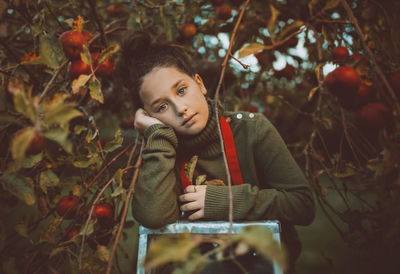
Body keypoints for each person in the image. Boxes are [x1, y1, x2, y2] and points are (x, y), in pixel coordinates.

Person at [115, 30, 315, 273]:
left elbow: (302, 205)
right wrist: (158, 136)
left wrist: (226, 202)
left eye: (181, 90)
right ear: (148, 117)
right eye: (162, 106)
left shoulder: (252, 130)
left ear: (199, 84)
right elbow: (153, 217)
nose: (181, 109)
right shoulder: (160, 150)